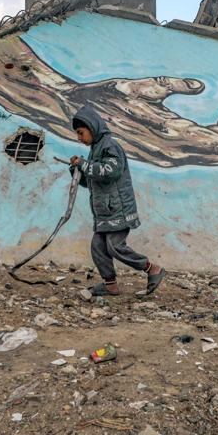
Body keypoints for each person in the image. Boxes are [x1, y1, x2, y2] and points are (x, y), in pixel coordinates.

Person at [67, 105, 165, 297]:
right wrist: (77, 171)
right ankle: (110, 284)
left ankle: (152, 269)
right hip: (104, 211)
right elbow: (93, 181)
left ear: (92, 127)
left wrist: (85, 165)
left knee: (115, 247)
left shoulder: (110, 146)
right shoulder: (95, 149)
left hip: (118, 209)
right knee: (98, 247)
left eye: (81, 133)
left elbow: (111, 172)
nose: (79, 138)